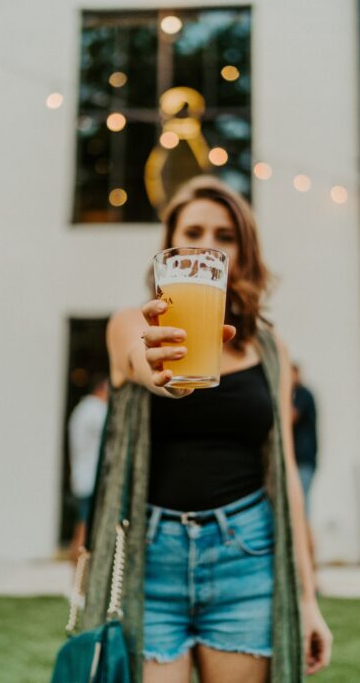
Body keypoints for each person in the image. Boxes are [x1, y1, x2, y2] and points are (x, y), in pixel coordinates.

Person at [83, 176, 332, 683]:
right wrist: (166, 375)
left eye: (225, 236)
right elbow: (141, 364)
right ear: (169, 247)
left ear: (243, 251)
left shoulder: (267, 348)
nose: (207, 246)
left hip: (247, 555)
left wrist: (307, 600)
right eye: (193, 231)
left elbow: (284, 473)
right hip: (151, 561)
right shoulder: (133, 324)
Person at [68, 374, 108, 562]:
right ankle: (78, 570)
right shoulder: (95, 410)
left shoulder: (82, 409)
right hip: (91, 479)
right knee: (85, 527)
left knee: (81, 524)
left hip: (82, 477)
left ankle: (76, 571)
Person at [291, 364, 318, 515]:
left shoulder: (302, 394)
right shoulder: (296, 395)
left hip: (303, 460)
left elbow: (290, 417)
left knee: (301, 507)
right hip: (299, 461)